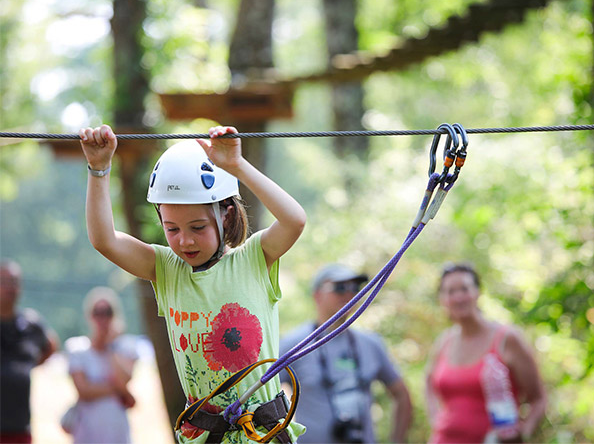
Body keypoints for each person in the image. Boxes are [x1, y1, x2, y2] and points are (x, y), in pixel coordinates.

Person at [78, 124, 306, 443]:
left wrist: (236, 166)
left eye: (197, 227)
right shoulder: (165, 269)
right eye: (172, 229)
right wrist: (99, 169)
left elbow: (294, 220)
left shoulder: (254, 258)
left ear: (225, 215)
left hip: (261, 436)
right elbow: (104, 240)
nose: (185, 241)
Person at [280, 264, 413, 444]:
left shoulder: (371, 344)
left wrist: (397, 440)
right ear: (317, 295)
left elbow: (401, 395)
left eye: (355, 288)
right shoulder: (294, 344)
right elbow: (263, 395)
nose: (349, 294)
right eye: (340, 287)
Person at [425, 263, 547, 444]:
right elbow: (428, 383)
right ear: (442, 299)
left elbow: (538, 399)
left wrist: (523, 432)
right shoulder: (444, 341)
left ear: (477, 292)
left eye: (464, 289)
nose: (458, 297)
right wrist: (436, 420)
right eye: (450, 292)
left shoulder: (507, 339)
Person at [63, 286, 138, 443]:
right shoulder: (76, 348)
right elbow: (84, 391)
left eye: (108, 312)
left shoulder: (125, 348)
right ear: (89, 316)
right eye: (98, 312)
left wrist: (110, 346)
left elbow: (123, 379)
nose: (103, 319)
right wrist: (116, 390)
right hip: (87, 431)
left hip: (117, 431)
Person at [0, 259, 59, 443]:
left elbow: (51, 345)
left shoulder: (31, 324)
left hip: (20, 428)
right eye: (4, 282)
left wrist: (28, 365)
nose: (10, 288)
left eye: (14, 282)